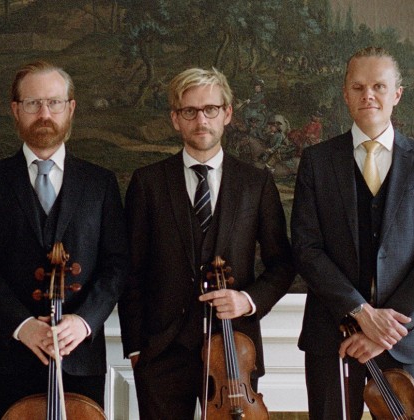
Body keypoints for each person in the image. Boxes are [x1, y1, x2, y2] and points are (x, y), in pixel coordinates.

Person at [119, 67, 296, 419]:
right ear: (175, 119)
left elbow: (283, 264)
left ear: (227, 114)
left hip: (234, 351)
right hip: (161, 351)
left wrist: (247, 301)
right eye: (190, 111)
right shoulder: (147, 182)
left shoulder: (255, 184)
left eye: (211, 109)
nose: (201, 120)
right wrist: (136, 346)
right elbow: (130, 270)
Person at [290, 47, 414, 419]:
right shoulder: (316, 162)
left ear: (397, 93)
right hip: (332, 337)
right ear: (346, 94)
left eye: (379, 86)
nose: (369, 95)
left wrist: (386, 329)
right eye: (358, 86)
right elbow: (307, 249)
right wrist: (361, 312)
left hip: (408, 340)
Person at [0, 61, 127, 420]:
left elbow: (116, 265)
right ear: (15, 110)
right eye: (33, 103)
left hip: (79, 356)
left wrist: (83, 322)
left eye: (54, 102)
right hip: (7, 355)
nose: (44, 113)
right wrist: (22, 326)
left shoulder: (100, 184)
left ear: (71, 107)